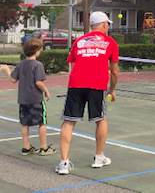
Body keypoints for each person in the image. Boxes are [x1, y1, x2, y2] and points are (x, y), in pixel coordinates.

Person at [56, 11, 119, 175]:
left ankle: (63, 163)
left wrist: (73, 81)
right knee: (101, 119)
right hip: (97, 86)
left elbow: (70, 64)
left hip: (76, 85)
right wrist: (112, 89)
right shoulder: (110, 42)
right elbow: (115, 72)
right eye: (108, 25)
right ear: (105, 25)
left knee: (68, 122)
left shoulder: (79, 41)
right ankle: (99, 157)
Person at [0, 38, 57, 156]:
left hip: (23, 99)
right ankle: (44, 147)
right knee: (42, 122)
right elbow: (38, 82)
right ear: (36, 51)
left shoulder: (21, 64)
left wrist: (7, 71)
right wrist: (46, 91)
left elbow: (13, 80)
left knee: (24, 123)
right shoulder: (38, 65)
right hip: (35, 99)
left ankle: (26, 147)